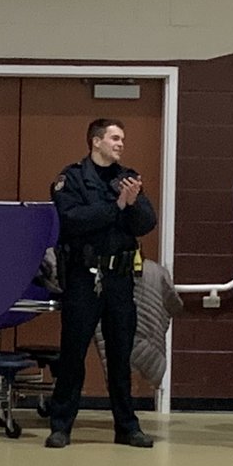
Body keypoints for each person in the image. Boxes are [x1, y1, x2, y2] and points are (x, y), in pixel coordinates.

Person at [44, 119, 157, 448]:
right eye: (114, 138)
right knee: (73, 353)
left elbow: (146, 223)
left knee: (121, 354)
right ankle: (62, 424)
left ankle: (127, 426)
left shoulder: (128, 178)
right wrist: (116, 206)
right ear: (96, 142)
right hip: (84, 276)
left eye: (123, 138)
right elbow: (73, 219)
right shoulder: (73, 178)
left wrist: (132, 203)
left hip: (120, 278)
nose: (121, 144)